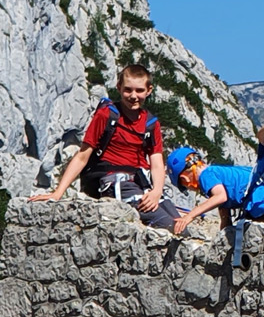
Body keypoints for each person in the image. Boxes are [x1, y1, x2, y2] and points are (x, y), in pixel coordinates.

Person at [27, 65, 172, 227]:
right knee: (167, 224)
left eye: (139, 90)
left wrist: (157, 191)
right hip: (114, 181)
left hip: (141, 183)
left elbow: (157, 162)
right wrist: (58, 193)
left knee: (180, 224)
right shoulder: (106, 115)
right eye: (127, 90)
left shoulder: (151, 124)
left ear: (148, 90)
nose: (133, 96)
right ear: (119, 87)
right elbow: (82, 155)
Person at [164, 147, 250, 237]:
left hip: (262, 198)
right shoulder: (216, 174)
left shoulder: (205, 175)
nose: (189, 189)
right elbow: (224, 213)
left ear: (184, 179)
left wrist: (189, 216)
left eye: (185, 187)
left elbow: (220, 196)